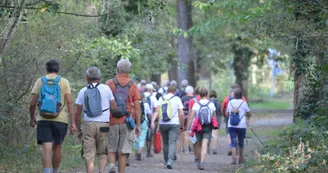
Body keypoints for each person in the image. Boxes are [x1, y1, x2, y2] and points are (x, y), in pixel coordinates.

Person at [29, 59, 75, 173]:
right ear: (58, 69)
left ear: (46, 68)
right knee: (57, 146)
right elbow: (69, 102)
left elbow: (32, 103)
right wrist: (73, 122)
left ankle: (46, 171)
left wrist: (32, 118)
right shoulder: (64, 82)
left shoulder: (40, 81)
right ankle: (55, 171)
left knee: (46, 147)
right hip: (60, 119)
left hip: (43, 118)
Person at [74, 67, 117, 173]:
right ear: (100, 77)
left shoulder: (83, 91)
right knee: (103, 152)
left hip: (88, 124)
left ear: (86, 77)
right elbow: (114, 107)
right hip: (104, 125)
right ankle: (101, 172)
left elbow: (78, 113)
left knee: (89, 155)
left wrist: (79, 129)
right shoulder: (106, 89)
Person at [105, 59, 141, 173]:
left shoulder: (109, 83)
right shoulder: (133, 85)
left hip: (111, 120)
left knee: (111, 147)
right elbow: (137, 107)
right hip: (127, 121)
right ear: (129, 71)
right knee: (123, 150)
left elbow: (104, 103)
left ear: (118, 69)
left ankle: (111, 165)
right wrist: (138, 125)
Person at [151, 86, 184, 169]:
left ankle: (166, 161)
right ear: (175, 92)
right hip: (174, 124)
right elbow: (181, 114)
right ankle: (170, 160)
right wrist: (182, 125)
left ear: (167, 91)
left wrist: (152, 121)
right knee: (172, 142)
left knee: (165, 143)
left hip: (163, 124)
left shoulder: (161, 98)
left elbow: (157, 111)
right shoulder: (177, 99)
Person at [187, 87, 217, 170]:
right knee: (205, 145)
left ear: (199, 95)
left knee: (199, 145)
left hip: (198, 127)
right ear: (207, 94)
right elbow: (214, 117)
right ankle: (202, 162)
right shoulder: (211, 104)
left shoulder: (197, 104)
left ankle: (199, 160)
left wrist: (188, 128)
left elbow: (191, 117)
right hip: (208, 127)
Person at [226, 88, 251, 164]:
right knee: (241, 142)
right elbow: (249, 113)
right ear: (241, 95)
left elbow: (227, 113)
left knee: (233, 142)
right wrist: (245, 115)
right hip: (241, 126)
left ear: (234, 95)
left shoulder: (230, 102)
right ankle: (240, 158)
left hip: (231, 125)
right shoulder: (244, 103)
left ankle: (233, 159)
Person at [221, 84, 246, 156]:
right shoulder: (243, 99)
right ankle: (237, 151)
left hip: (230, 118)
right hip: (240, 119)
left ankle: (230, 148)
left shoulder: (227, 99)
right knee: (239, 135)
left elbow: (223, 109)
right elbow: (245, 110)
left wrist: (225, 116)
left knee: (230, 134)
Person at [135, 92, 152, 161]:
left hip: (134, 122)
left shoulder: (134, 103)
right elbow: (149, 114)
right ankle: (139, 151)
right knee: (142, 137)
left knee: (135, 137)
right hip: (144, 122)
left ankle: (136, 152)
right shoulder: (146, 104)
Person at [144, 84, 159, 157]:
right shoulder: (153, 98)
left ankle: (138, 151)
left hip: (141, 118)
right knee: (150, 135)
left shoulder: (140, 95)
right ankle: (148, 151)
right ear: (150, 90)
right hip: (150, 118)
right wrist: (154, 119)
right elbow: (156, 109)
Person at [187, 87, 201, 162]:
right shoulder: (204, 100)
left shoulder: (192, 101)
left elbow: (190, 113)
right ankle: (200, 155)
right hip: (202, 123)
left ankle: (196, 155)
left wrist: (188, 125)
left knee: (194, 141)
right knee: (200, 140)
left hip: (194, 122)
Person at [180, 85, 195, 154]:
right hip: (193, 117)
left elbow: (180, 108)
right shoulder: (195, 99)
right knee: (193, 133)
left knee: (184, 132)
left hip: (184, 116)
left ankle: (184, 148)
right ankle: (192, 147)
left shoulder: (183, 98)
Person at [209, 90, 222, 155]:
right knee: (216, 135)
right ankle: (214, 147)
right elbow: (220, 111)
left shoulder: (208, 102)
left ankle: (207, 147)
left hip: (209, 120)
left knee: (208, 134)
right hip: (217, 120)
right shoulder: (218, 103)